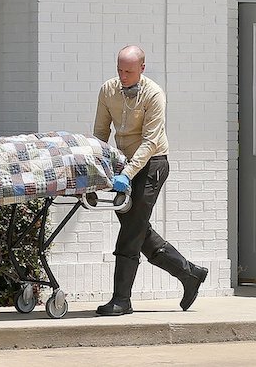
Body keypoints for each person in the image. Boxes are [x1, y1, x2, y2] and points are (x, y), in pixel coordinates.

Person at [92, 45, 208, 316]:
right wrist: (98, 168)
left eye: (129, 71)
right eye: (119, 70)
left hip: (152, 164)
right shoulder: (108, 90)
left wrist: (127, 174)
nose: (123, 76)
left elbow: (150, 141)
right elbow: (100, 132)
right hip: (123, 166)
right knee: (138, 229)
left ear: (142, 68)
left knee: (131, 231)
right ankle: (189, 274)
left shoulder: (154, 94)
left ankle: (122, 300)